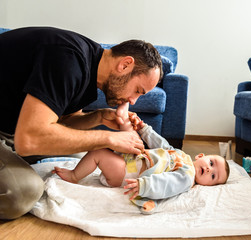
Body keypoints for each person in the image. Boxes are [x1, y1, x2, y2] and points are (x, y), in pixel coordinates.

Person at [0, 27, 163, 219]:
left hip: (14, 128)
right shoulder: (67, 60)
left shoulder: (92, 70)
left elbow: (61, 121)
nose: (134, 101)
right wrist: (108, 138)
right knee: (23, 193)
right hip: (21, 134)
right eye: (138, 90)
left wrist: (99, 118)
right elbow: (29, 140)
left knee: (81, 157)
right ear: (125, 64)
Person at [52, 103, 230, 214]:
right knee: (132, 137)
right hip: (136, 159)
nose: (209, 170)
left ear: (208, 185)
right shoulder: (180, 155)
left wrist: (145, 186)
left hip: (128, 173)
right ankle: (123, 118)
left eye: (213, 176)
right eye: (211, 163)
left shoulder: (186, 177)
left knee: (98, 152)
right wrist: (144, 129)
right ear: (201, 156)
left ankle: (75, 176)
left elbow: (167, 184)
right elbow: (161, 145)